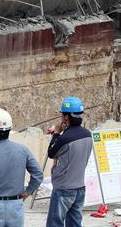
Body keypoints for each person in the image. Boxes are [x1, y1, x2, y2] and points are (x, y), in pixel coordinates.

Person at [45, 96, 92, 227]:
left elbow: (51, 153)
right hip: (80, 187)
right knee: (75, 223)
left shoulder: (64, 138)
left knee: (55, 223)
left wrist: (56, 133)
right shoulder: (88, 134)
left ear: (66, 117)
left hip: (63, 188)